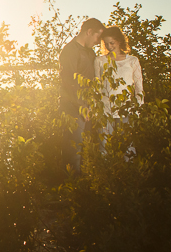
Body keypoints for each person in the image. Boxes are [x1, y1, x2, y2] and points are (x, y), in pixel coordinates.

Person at [59, 17, 105, 172]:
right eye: (98, 36)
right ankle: (72, 190)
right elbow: (68, 82)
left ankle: (85, 190)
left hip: (89, 108)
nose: (99, 41)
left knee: (87, 149)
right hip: (73, 109)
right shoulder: (70, 50)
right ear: (89, 32)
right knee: (74, 152)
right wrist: (81, 107)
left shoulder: (91, 53)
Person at [93, 26, 144, 150]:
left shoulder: (132, 61)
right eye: (106, 43)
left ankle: (128, 169)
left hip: (126, 110)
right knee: (104, 147)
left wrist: (138, 109)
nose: (109, 46)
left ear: (120, 41)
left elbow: (139, 87)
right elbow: (97, 86)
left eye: (112, 43)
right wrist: (96, 107)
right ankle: (104, 169)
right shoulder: (99, 61)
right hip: (105, 111)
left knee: (128, 147)